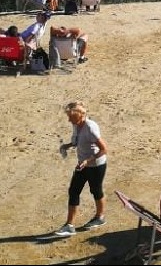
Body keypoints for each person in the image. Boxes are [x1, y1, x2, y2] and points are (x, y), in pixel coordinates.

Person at [54, 101, 109, 236]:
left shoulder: (90, 127)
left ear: (80, 115)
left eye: (71, 117)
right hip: (82, 164)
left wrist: (87, 161)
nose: (69, 120)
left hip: (96, 165)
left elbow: (104, 149)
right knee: (73, 191)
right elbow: (77, 141)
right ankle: (69, 225)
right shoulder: (76, 124)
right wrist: (66, 146)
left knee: (96, 190)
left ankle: (100, 217)